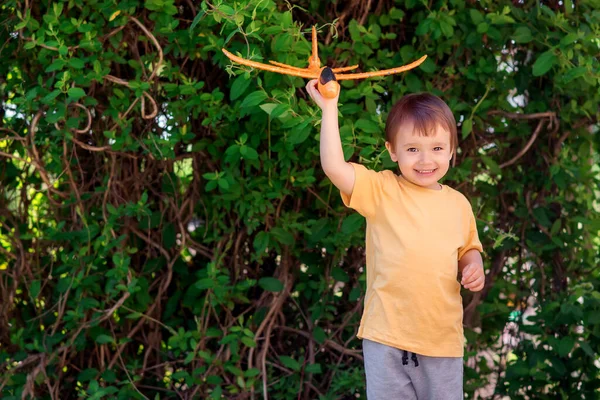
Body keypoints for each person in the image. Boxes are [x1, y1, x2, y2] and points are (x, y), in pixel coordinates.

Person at [305, 80, 485, 400]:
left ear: (452, 150)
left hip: (441, 340)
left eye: (437, 148)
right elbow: (334, 166)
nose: (425, 160)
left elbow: (468, 249)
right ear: (392, 151)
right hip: (386, 337)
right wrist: (329, 108)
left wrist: (474, 266)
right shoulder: (382, 190)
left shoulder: (459, 204)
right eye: (413, 149)